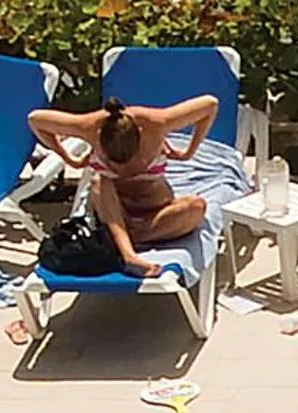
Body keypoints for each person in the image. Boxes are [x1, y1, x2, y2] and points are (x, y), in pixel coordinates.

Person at [30, 95, 220, 278]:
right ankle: (129, 255)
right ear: (98, 137)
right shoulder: (88, 126)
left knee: (197, 206)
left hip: (157, 214)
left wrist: (189, 152)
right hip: (113, 212)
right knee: (99, 181)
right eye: (111, 161)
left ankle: (127, 240)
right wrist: (69, 159)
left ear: (140, 133)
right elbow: (35, 119)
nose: (124, 168)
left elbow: (210, 104)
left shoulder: (158, 122)